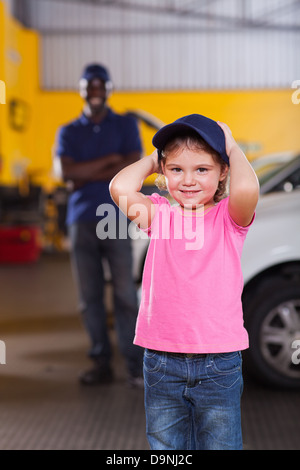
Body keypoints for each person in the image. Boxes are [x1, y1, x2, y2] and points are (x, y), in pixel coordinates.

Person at [109, 113, 260, 449]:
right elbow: (119, 188)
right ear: (165, 172)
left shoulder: (229, 219)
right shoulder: (159, 215)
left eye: (201, 169)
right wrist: (153, 159)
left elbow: (248, 187)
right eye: (177, 169)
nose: (188, 180)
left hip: (219, 362)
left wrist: (231, 147)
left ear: (223, 171)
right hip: (162, 360)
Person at [55, 63, 144, 387]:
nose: (95, 92)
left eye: (100, 86)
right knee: (89, 297)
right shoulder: (68, 131)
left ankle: (135, 366)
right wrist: (110, 161)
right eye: (89, 86)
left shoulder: (124, 124)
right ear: (82, 90)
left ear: (108, 89)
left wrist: (84, 173)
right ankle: (101, 363)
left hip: (117, 218)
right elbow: (66, 174)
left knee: (124, 294)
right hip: (81, 221)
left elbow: (134, 164)